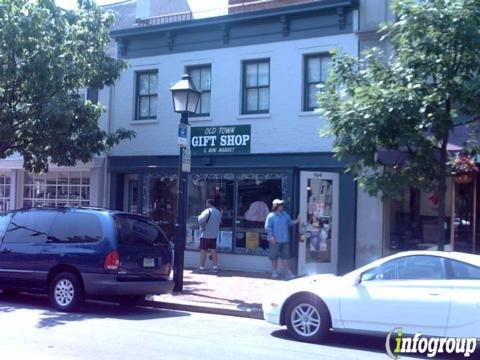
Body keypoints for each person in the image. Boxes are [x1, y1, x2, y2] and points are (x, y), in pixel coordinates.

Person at [264, 199, 300, 279]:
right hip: (275, 240)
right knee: (274, 257)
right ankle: (274, 272)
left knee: (285, 257)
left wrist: (297, 220)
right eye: (280, 205)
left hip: (285, 240)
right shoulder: (271, 216)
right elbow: (268, 228)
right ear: (276, 206)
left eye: (282, 205)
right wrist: (271, 237)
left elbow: (290, 223)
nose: (282, 206)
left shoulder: (285, 215)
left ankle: (288, 273)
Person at [198, 199, 222, 272]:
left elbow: (200, 220)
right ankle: (215, 267)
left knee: (203, 251)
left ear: (209, 204)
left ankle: (201, 268)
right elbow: (220, 222)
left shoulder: (207, 211)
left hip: (205, 234)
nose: (206, 204)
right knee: (213, 250)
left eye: (206, 203)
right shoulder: (218, 212)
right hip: (214, 234)